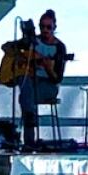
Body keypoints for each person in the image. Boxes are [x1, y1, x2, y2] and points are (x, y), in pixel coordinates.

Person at [17, 9, 68, 150]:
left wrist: (47, 67)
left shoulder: (59, 47)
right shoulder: (33, 42)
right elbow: (8, 47)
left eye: (48, 27)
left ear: (54, 28)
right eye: (42, 27)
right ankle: (29, 137)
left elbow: (57, 79)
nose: (45, 30)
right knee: (25, 84)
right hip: (31, 83)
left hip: (48, 86)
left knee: (26, 96)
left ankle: (28, 139)